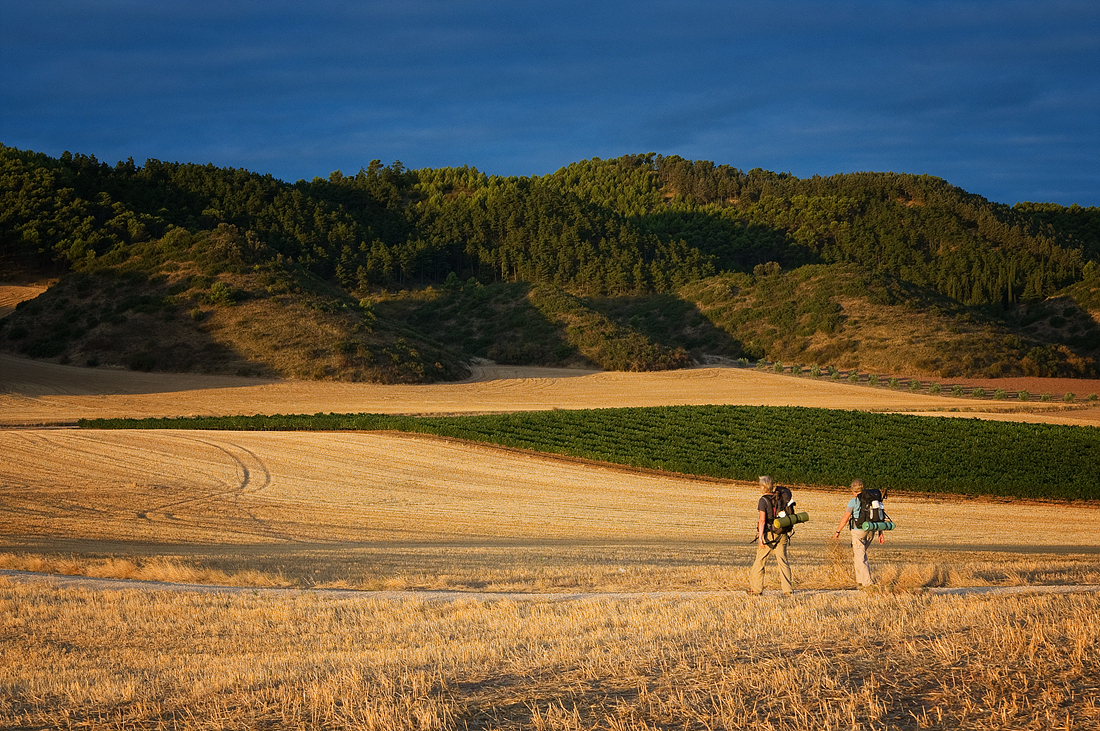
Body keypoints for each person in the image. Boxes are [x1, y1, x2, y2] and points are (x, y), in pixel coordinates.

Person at [833, 478, 884, 588]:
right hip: (872, 530)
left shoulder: (853, 501)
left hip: (858, 531)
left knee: (861, 557)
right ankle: (860, 581)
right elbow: (879, 517)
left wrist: (838, 531)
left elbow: (845, 518)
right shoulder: (872, 500)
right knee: (858, 555)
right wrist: (880, 533)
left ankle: (868, 584)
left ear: (853, 491)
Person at [748, 475, 793, 595]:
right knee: (783, 562)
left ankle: (756, 589)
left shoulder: (763, 500)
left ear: (763, 487)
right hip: (782, 533)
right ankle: (788, 590)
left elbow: (762, 520)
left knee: (760, 561)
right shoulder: (779, 497)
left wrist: (760, 537)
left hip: (769, 535)